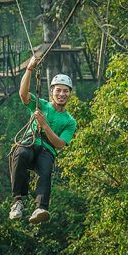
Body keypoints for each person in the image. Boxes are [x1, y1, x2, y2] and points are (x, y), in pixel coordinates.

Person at [9, 56, 77, 224]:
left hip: (47, 149)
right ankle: (18, 200)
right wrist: (30, 69)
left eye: (65, 91)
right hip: (31, 142)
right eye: (58, 90)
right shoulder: (42, 105)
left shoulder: (70, 121)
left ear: (69, 94)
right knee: (20, 153)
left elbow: (60, 144)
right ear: (52, 91)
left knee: (45, 171)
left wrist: (45, 125)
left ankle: (41, 207)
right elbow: (23, 94)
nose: (61, 94)